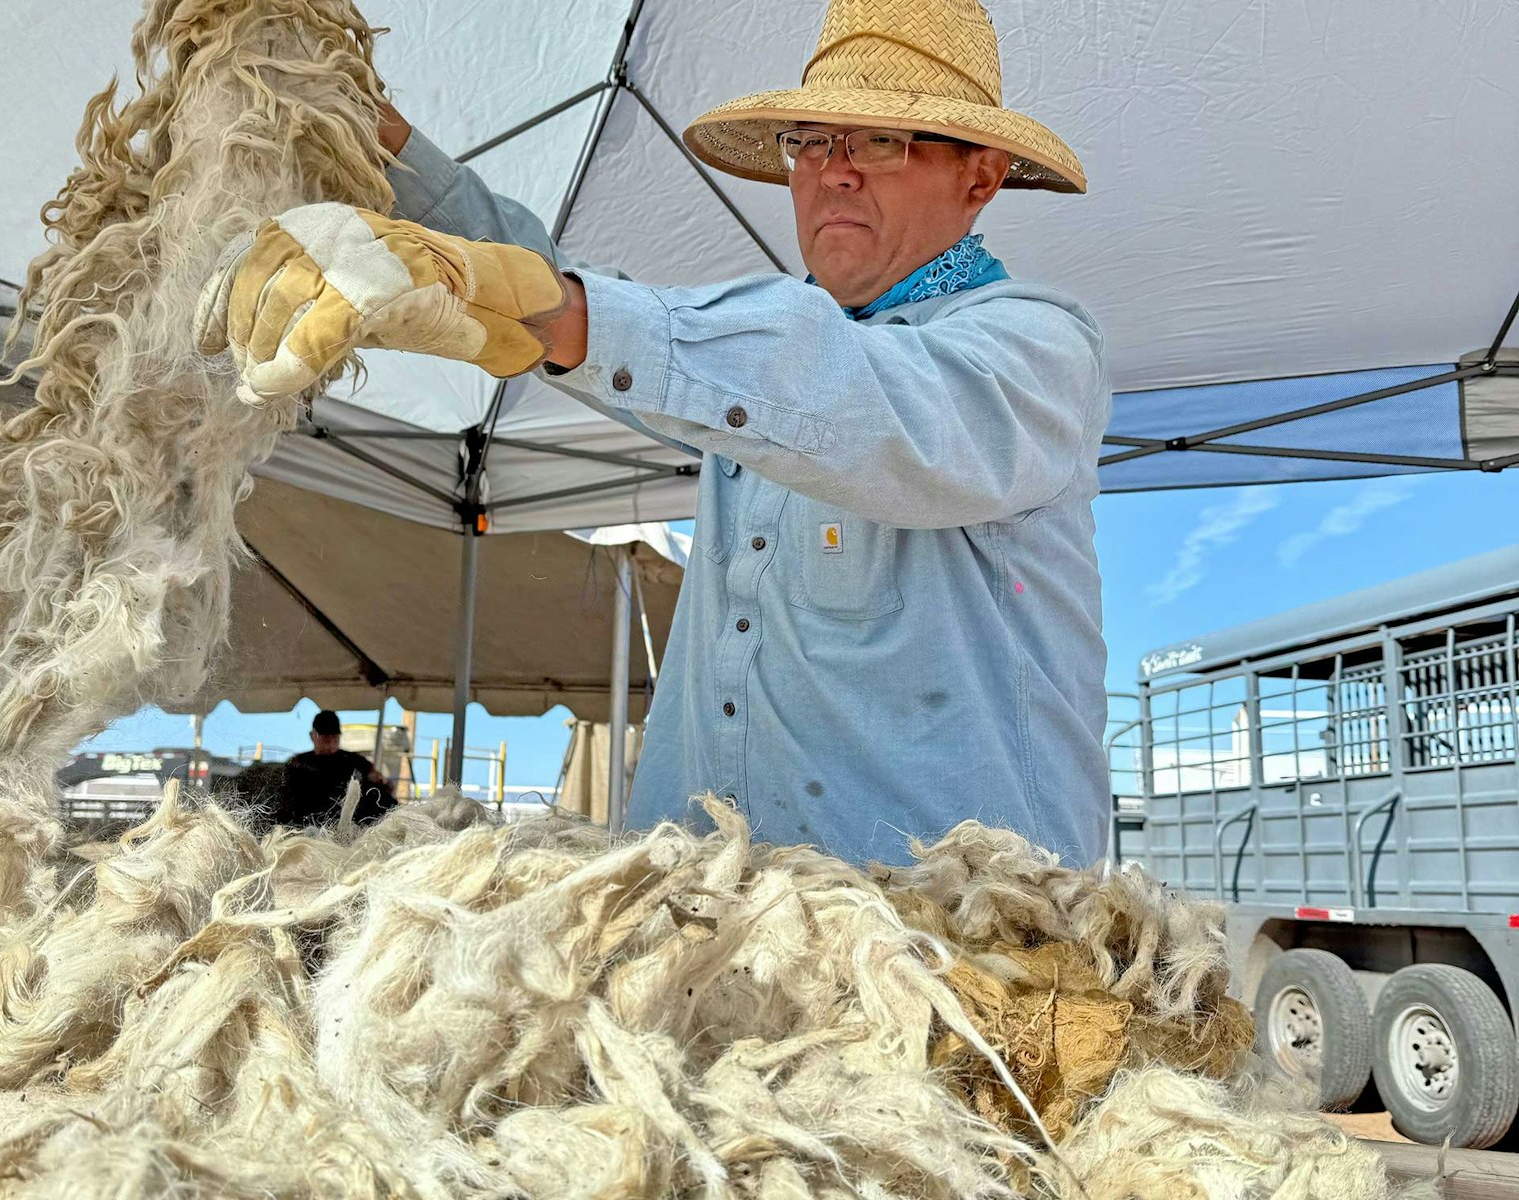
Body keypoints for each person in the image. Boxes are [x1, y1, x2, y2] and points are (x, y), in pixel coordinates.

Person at [198, 0, 1112, 866]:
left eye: (880, 140)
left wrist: (559, 311)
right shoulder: (749, 370)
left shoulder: (1037, 348)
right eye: (810, 140)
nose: (835, 169)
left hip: (959, 948)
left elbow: (862, 399)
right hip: (724, 936)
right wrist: (378, 142)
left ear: (980, 176)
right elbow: (573, 295)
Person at [278, 710, 395, 827]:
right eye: (324, 735)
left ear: (339, 736)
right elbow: (283, 798)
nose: (329, 739)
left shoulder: (357, 763)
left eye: (333, 735)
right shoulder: (297, 765)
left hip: (350, 828)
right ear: (312, 736)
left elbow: (381, 790)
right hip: (305, 827)